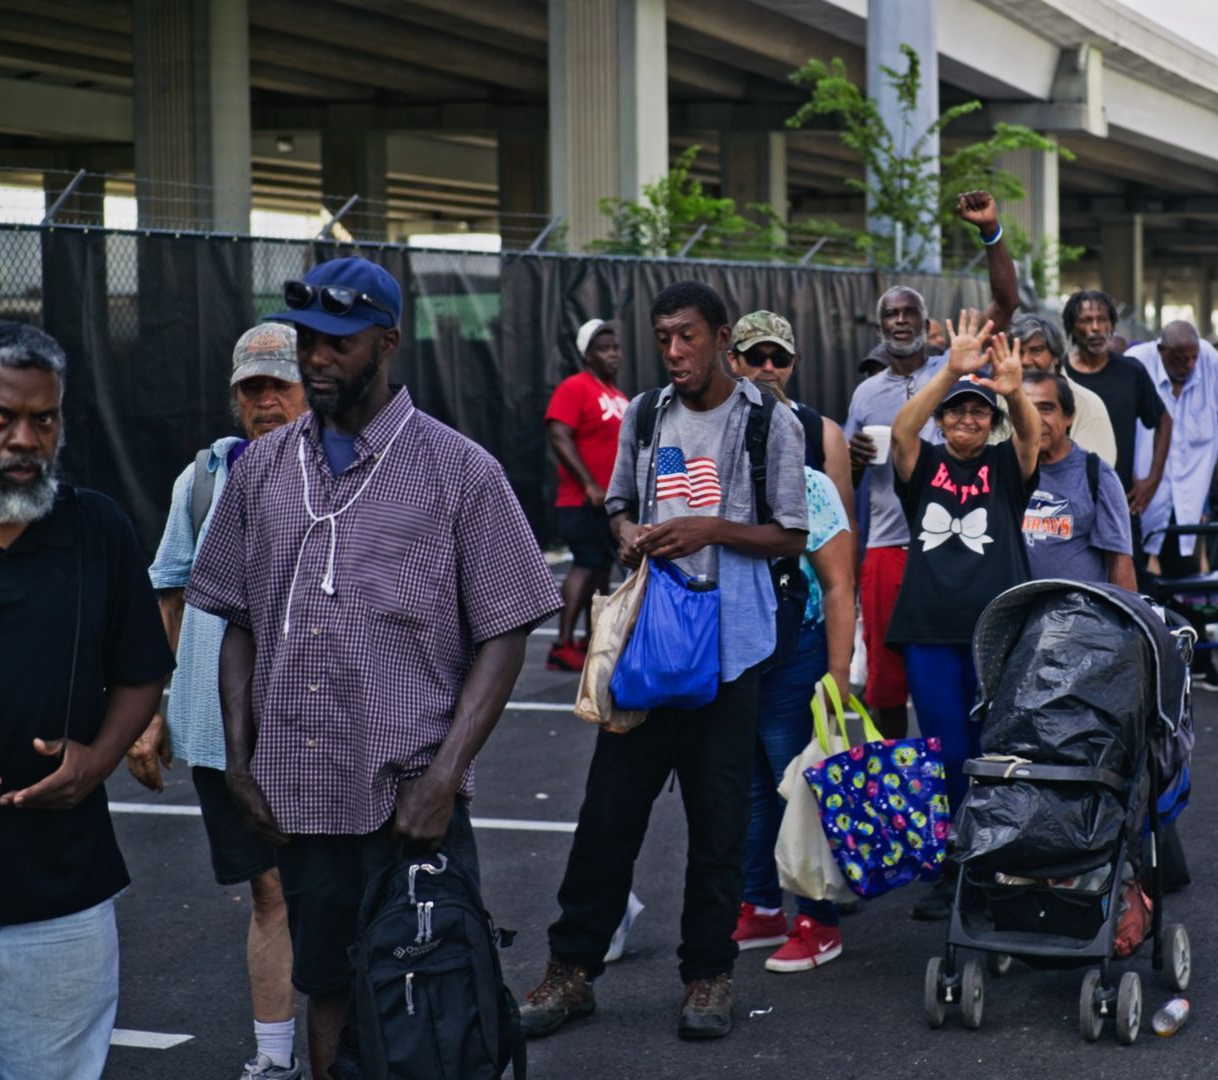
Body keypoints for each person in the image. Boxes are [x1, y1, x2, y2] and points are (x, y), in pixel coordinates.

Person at [185, 258, 561, 1070]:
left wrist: (444, 775)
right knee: (326, 985)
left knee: (430, 991)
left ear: (388, 343)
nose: (317, 359)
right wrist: (240, 759)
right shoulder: (261, 473)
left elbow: (506, 629)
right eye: (309, 342)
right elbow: (237, 619)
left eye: (339, 344)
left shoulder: (460, 471)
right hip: (301, 796)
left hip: (408, 798)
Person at [522, 282, 808, 1041]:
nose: (675, 352)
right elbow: (616, 502)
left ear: (721, 337)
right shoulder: (647, 414)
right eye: (664, 338)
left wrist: (709, 529)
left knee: (718, 828)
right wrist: (625, 531)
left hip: (730, 654)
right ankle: (571, 972)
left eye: (688, 337)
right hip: (650, 648)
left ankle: (707, 978)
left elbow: (791, 536)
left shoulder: (769, 420)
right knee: (607, 819)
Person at [0, 322, 174, 1080]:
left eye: (44, 419)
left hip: (57, 903)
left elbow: (139, 670)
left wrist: (95, 761)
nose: (23, 439)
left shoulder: (96, 529)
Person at [130, 323, 308, 1079]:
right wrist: (151, 711)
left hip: (319, 730)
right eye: (251, 389)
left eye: (280, 386)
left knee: (337, 889)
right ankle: (274, 1058)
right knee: (269, 893)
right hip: (219, 734)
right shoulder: (202, 479)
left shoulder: (347, 474)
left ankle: (356, 1045)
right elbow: (167, 594)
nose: (266, 401)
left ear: (313, 387)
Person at [844, 191, 1018, 739]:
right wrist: (851, 461)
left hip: (957, 550)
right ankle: (902, 791)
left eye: (909, 312)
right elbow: (848, 483)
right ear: (879, 327)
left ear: (926, 321)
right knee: (885, 688)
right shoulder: (865, 393)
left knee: (966, 683)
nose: (900, 321)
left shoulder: (956, 366)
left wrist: (989, 232)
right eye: (890, 314)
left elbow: (1006, 302)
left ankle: (967, 789)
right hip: (889, 548)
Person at [887, 312, 1039, 919]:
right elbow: (902, 433)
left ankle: (997, 858)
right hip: (929, 630)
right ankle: (955, 862)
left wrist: (1015, 390)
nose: (967, 420)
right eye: (957, 411)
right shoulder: (923, 465)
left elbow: (1030, 440)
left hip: (995, 631)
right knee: (947, 751)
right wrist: (949, 370)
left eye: (979, 412)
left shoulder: (1004, 468)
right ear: (943, 419)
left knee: (996, 747)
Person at [728, 399, 856, 976]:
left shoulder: (810, 486)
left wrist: (837, 673)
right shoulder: (724, 479)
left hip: (795, 656)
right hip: (741, 658)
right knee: (754, 789)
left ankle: (819, 920)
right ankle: (761, 906)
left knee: (801, 788)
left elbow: (837, 586)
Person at [1127, 322, 1218, 688]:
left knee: (1191, 583)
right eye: (1179, 358)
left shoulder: (1208, 363)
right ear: (1161, 351)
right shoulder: (1137, 363)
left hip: (1190, 495)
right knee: (1136, 581)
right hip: (1140, 493)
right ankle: (1142, 667)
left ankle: (1200, 661)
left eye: (1192, 357)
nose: (1188, 364)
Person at [544, 318, 629, 671]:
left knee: (601, 569)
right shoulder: (575, 387)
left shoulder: (618, 396)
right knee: (585, 564)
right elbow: (559, 434)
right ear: (587, 355)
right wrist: (590, 484)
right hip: (581, 500)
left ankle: (590, 639)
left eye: (615, 347)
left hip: (611, 503)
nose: (612, 354)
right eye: (603, 348)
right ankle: (562, 645)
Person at [1061, 290, 1173, 528]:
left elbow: (1164, 420)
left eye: (1102, 320)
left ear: (1112, 325)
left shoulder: (1131, 372)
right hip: (1065, 503)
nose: (1095, 328)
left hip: (1119, 502)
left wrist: (1152, 480)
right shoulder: (1058, 376)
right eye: (1086, 320)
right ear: (1071, 327)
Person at [729, 311, 854, 522]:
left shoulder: (823, 432)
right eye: (756, 358)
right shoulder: (716, 424)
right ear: (733, 360)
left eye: (780, 359)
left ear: (793, 362)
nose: (768, 368)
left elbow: (843, 524)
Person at [1020, 370, 1134, 588]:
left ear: (1068, 416)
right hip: (1019, 614)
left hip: (1080, 615)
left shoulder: (1096, 474)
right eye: (1026, 408)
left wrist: (1126, 619)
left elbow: (1119, 559)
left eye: (1046, 408)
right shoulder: (1005, 468)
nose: (1035, 418)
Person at [1008, 312, 1116, 466]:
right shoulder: (998, 399)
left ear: (1055, 356)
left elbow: (1094, 476)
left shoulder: (1088, 406)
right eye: (1018, 352)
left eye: (1036, 350)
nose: (1025, 361)